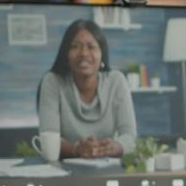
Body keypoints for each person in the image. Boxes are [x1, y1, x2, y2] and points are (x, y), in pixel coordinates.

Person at [38, 19, 137, 159]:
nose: (84, 53)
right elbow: (49, 137)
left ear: (102, 54)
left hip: (108, 169)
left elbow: (129, 136)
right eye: (75, 46)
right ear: (66, 55)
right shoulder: (52, 82)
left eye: (91, 46)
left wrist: (115, 147)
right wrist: (77, 149)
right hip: (64, 171)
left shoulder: (116, 81)